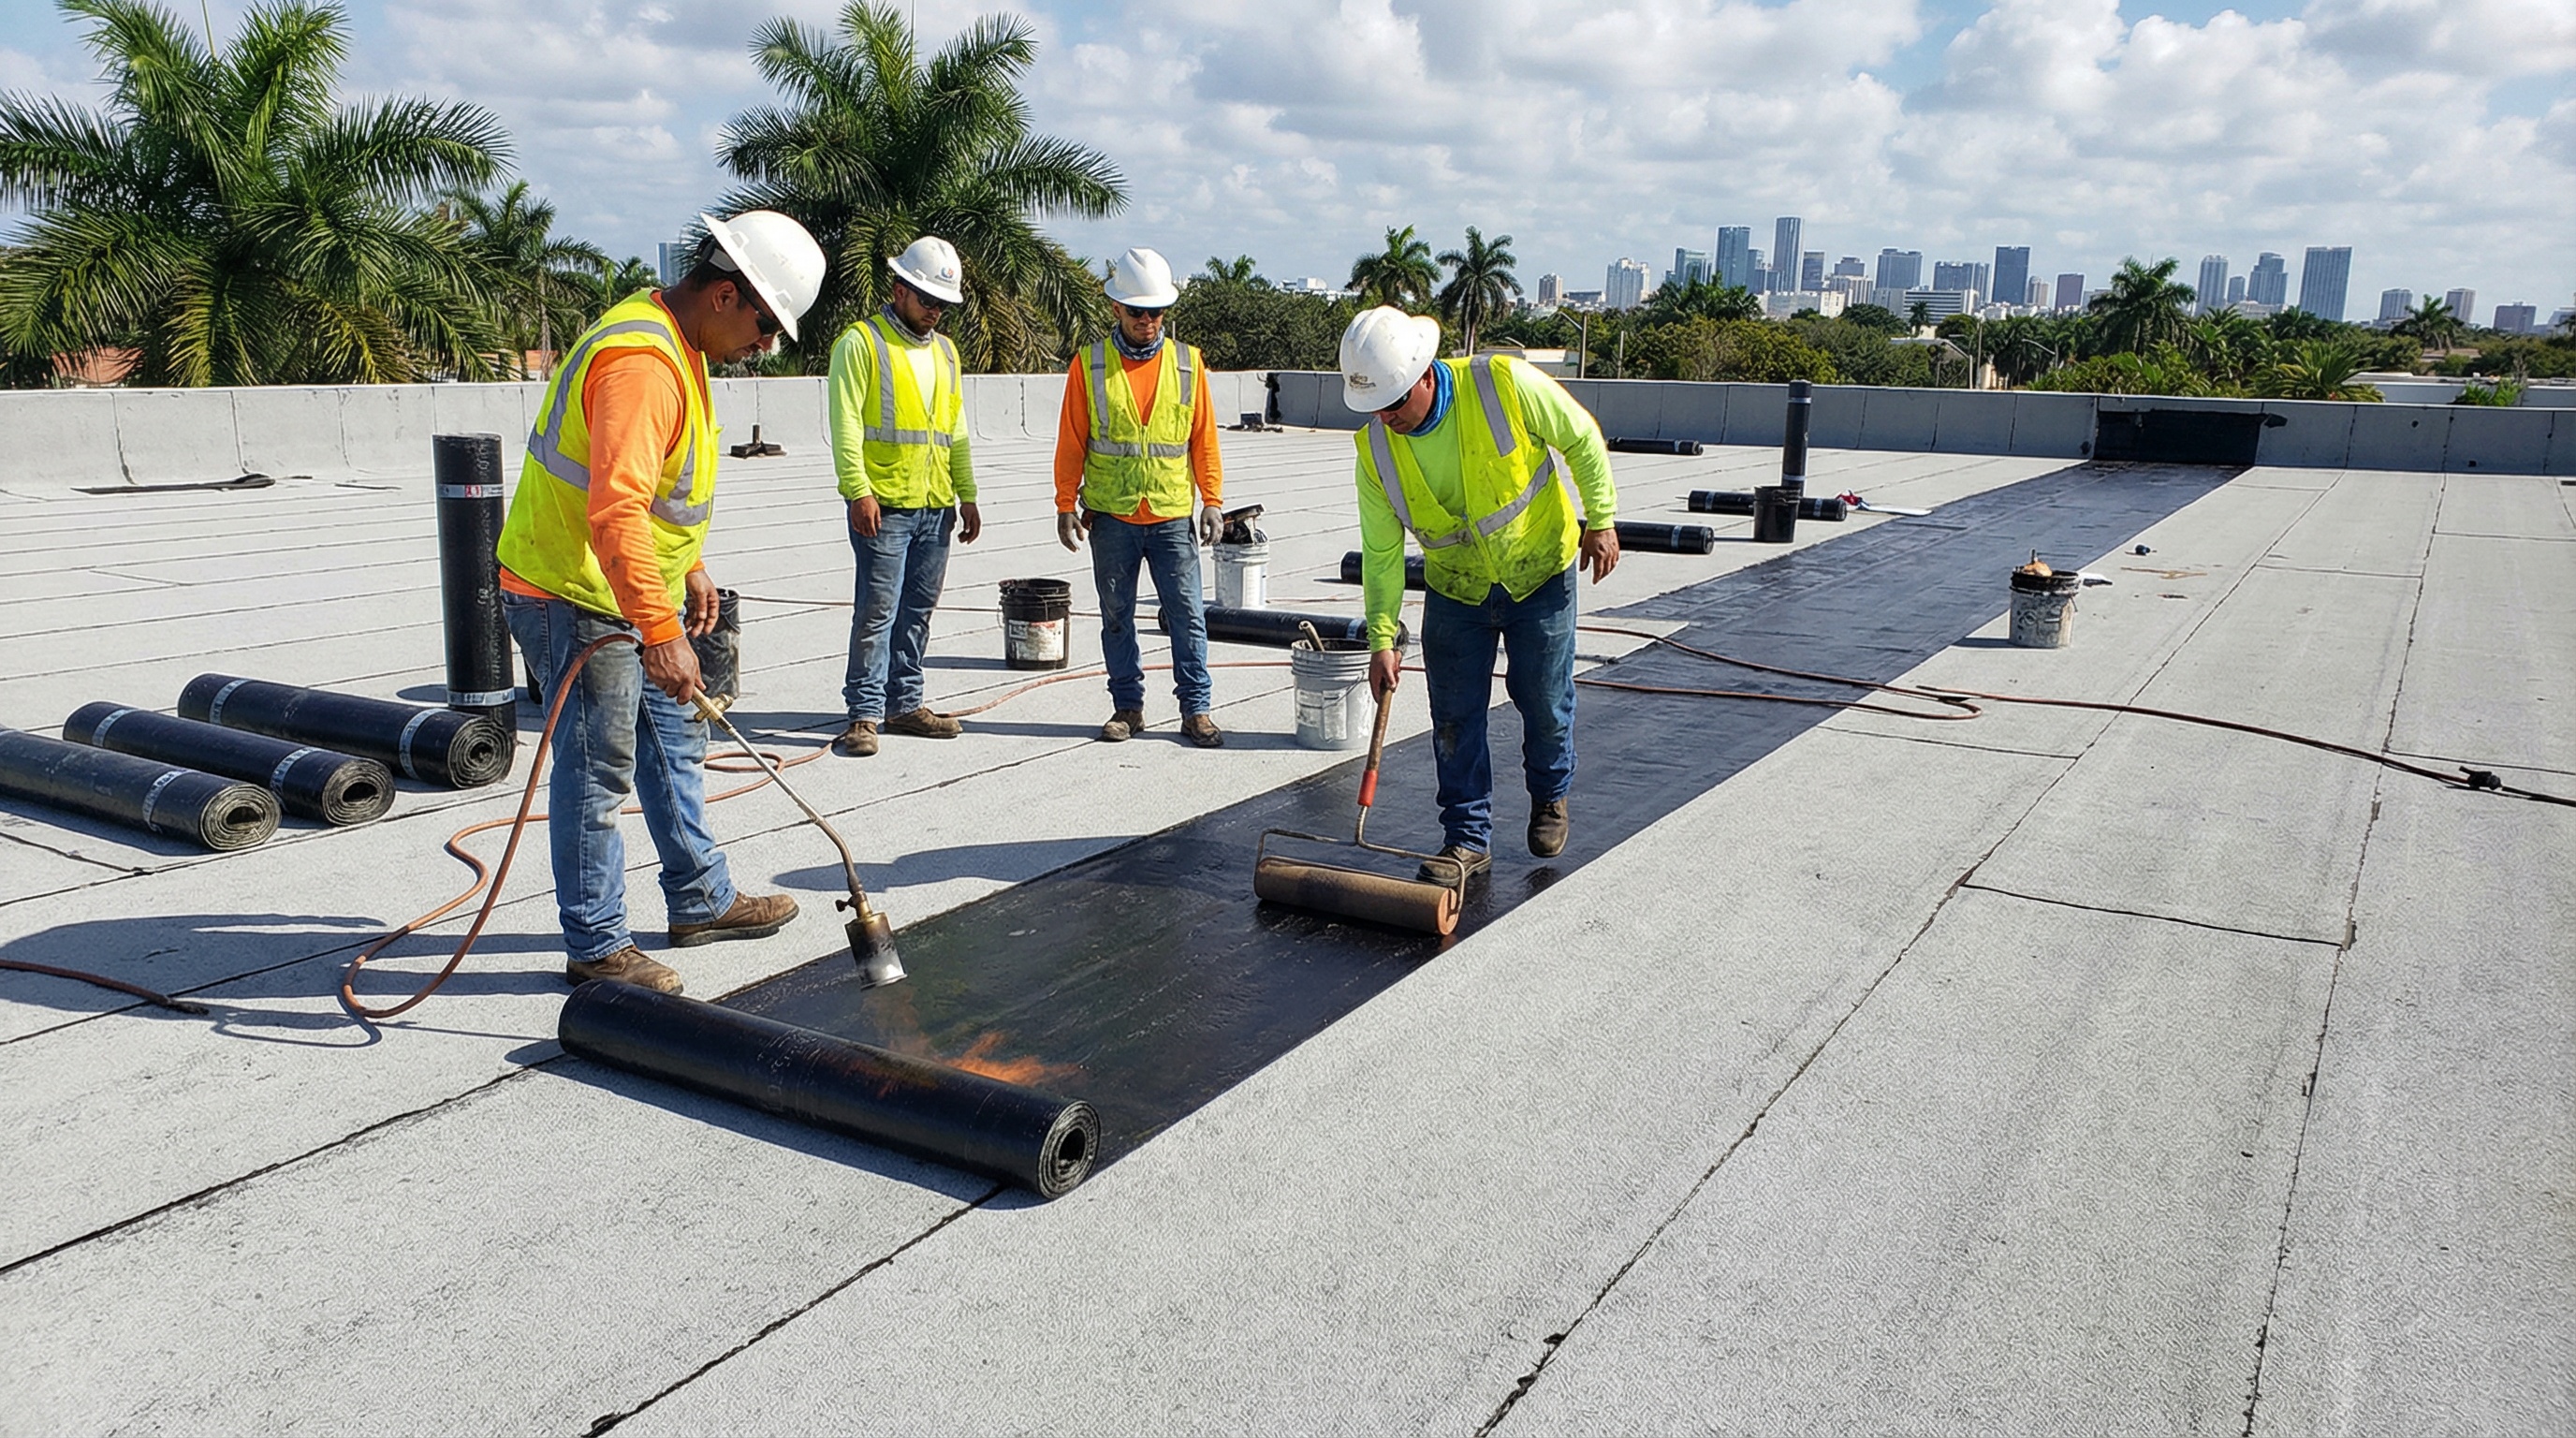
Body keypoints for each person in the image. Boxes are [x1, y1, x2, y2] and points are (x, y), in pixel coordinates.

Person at [495, 211, 825, 994]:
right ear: (722, 294)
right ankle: (598, 946)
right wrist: (659, 628)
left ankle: (700, 897)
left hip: (624, 586)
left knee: (673, 744)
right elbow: (613, 511)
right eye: (766, 323)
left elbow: (653, 495)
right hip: (571, 591)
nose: (767, 345)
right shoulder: (643, 362)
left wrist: (693, 566)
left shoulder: (679, 344)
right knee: (597, 770)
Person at [1338, 306, 1620, 880]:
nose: (1385, 418)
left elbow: (1581, 437)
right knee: (1454, 716)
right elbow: (1383, 549)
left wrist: (1602, 517)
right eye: (1373, 408)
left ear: (1424, 373)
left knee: (1542, 697)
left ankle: (1549, 793)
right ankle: (1466, 836)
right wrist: (1382, 637)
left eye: (1393, 402)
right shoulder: (1375, 450)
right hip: (1456, 589)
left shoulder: (1501, 384)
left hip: (1538, 569)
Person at [1052, 247, 1226, 745]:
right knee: (1116, 615)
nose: (1148, 322)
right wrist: (1066, 504)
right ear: (1116, 309)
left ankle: (1196, 709)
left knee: (1187, 614)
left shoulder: (1189, 364)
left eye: (1155, 312)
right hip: (1112, 515)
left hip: (1171, 514)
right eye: (1137, 312)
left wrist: (1211, 499)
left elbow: (1203, 439)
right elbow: (1073, 439)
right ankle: (1128, 707)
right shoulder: (1089, 365)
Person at [829, 236, 979, 757]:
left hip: (935, 503)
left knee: (918, 610)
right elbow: (845, 422)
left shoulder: (945, 351)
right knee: (876, 612)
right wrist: (857, 490)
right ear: (899, 290)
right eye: (927, 301)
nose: (935, 312)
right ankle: (865, 714)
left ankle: (905, 702)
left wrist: (968, 493)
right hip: (885, 503)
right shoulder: (861, 343)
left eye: (942, 304)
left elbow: (955, 428)